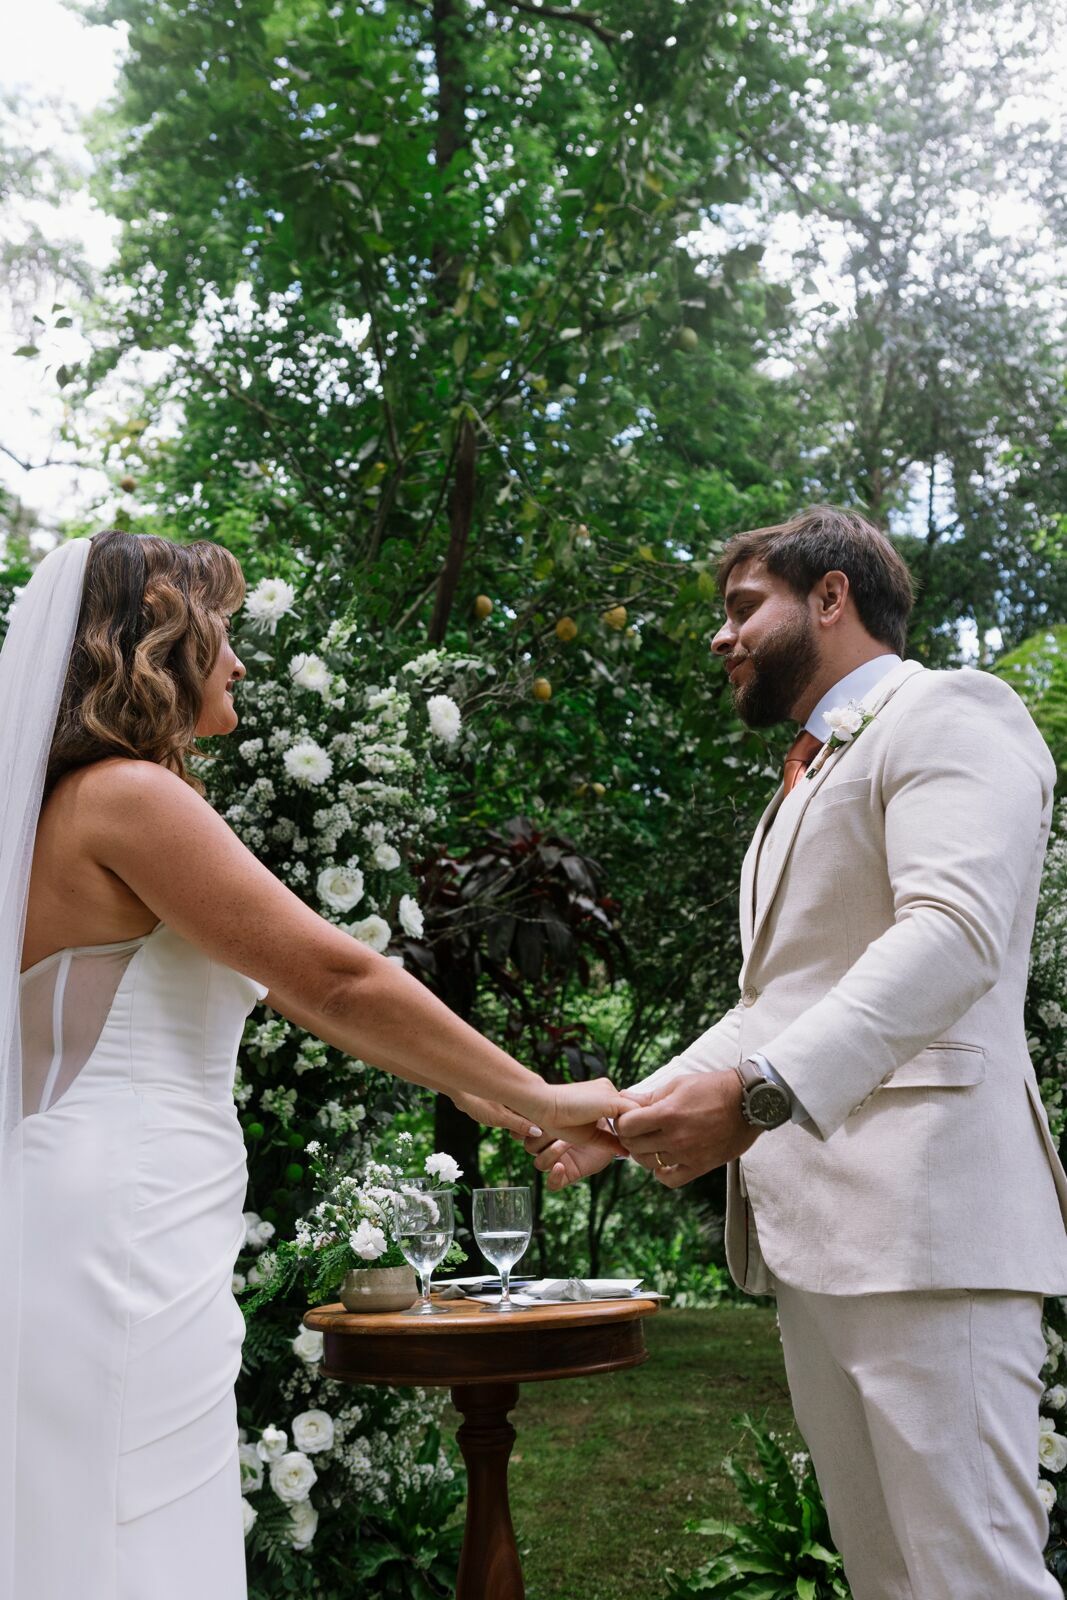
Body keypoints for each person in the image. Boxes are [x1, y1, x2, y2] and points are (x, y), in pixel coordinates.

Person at [0, 528, 628, 1600]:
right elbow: (336, 977)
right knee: (125, 1522)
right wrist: (541, 1091)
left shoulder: (63, 811)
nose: (240, 661)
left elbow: (300, 991)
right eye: (222, 630)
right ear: (161, 637)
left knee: (99, 1515)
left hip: (90, 1204)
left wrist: (475, 1088)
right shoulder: (128, 796)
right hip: (122, 1226)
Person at [526, 506, 1067, 1600]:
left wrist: (757, 1096)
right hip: (820, 1240)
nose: (720, 636)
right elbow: (778, 1002)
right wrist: (620, 1120)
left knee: (972, 1579)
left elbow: (952, 933)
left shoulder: (951, 710)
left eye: (742, 607)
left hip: (933, 1228)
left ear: (830, 596)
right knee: (885, 1579)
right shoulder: (800, 782)